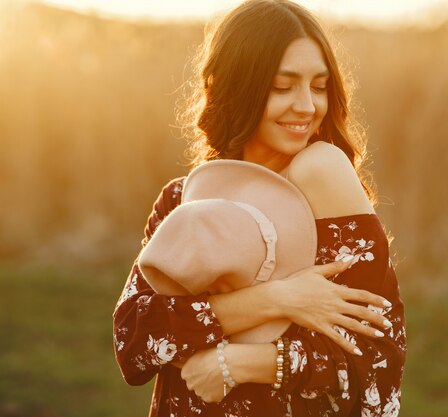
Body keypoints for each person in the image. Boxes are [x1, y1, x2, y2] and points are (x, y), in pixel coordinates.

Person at [112, 1, 406, 416]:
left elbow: (376, 370)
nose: (306, 106)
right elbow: (135, 344)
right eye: (283, 87)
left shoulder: (332, 198)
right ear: (235, 87)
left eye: (319, 86)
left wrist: (247, 364)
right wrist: (277, 299)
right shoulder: (182, 199)